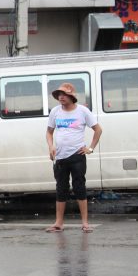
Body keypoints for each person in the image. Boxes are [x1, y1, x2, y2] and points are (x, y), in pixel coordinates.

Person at [45, 83, 102, 233]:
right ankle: (59, 223)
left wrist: (90, 148)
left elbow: (98, 129)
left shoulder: (82, 111)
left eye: (64, 94)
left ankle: (85, 223)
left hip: (77, 156)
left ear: (72, 97)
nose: (61, 97)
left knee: (79, 188)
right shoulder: (55, 112)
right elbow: (49, 132)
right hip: (61, 158)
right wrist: (51, 146)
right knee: (61, 189)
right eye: (59, 95)